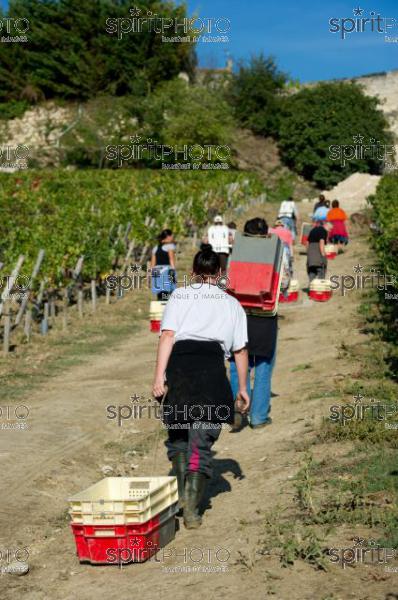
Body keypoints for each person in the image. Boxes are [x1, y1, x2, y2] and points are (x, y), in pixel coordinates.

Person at [152, 245, 250, 529]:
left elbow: (167, 335)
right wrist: (242, 388)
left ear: (193, 273)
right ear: (220, 274)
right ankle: (192, 510)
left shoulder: (179, 295)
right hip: (211, 372)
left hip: (180, 370)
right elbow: (240, 351)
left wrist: (159, 377)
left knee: (179, 437)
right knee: (201, 440)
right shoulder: (232, 304)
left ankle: (183, 495)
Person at [229, 218, 278, 430]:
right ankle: (258, 417)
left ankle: (238, 410)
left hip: (239, 314)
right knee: (263, 365)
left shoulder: (236, 251)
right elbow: (282, 285)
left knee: (236, 363)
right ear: (266, 233)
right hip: (265, 316)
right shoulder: (275, 252)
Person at [150, 229, 176, 301]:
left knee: (160, 292)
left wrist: (149, 275)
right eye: (172, 236)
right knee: (167, 292)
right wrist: (173, 271)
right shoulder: (170, 247)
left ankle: (160, 306)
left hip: (156, 271)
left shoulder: (155, 248)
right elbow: (171, 259)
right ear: (168, 236)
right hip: (166, 270)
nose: (173, 238)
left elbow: (152, 263)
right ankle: (166, 308)